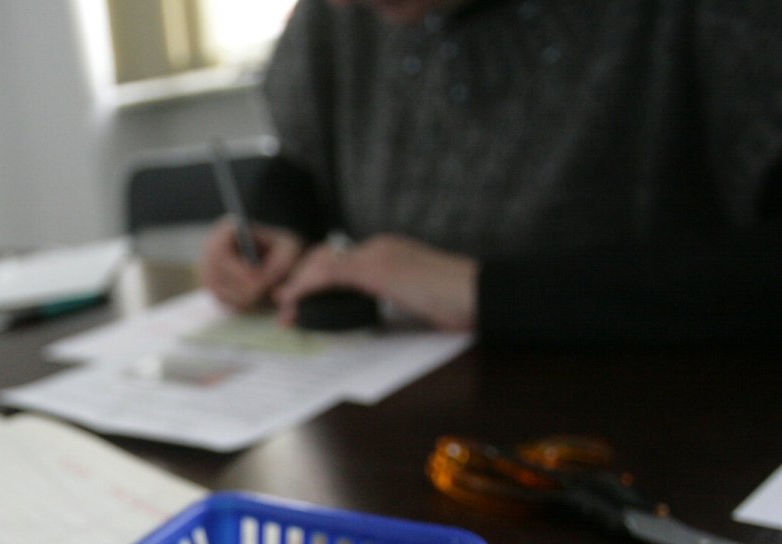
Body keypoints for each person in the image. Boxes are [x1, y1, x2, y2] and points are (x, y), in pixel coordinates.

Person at [201, 0, 782, 344]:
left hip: (656, 426)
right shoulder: (343, 20)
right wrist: (277, 221)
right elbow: (310, 162)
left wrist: (480, 291)